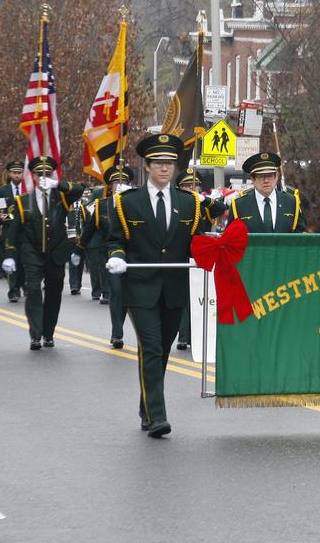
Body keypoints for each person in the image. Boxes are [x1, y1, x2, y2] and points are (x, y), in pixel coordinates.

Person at [104, 134, 212, 438]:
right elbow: (115, 240)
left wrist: (213, 254)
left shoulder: (189, 202)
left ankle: (146, 406)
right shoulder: (127, 202)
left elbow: (197, 242)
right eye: (159, 163)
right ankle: (157, 417)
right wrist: (116, 257)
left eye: (170, 164)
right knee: (150, 347)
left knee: (161, 351)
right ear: (148, 166)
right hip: (140, 288)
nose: (165, 169)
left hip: (174, 288)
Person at [1, 156, 84, 350]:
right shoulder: (22, 201)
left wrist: (57, 184)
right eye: (40, 174)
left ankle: (48, 333)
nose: (44, 177)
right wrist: (9, 254)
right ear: (34, 177)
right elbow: (12, 228)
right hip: (32, 251)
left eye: (48, 174)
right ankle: (35, 334)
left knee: (54, 293)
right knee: (33, 289)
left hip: (56, 251)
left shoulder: (61, 197)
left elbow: (79, 189)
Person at [173, 166, 226, 351]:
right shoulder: (175, 204)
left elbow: (221, 209)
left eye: (194, 186)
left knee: (199, 297)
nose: (191, 189)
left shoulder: (202, 204)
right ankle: (183, 336)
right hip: (180, 254)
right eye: (187, 186)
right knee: (183, 298)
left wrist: (205, 199)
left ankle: (197, 336)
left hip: (200, 255)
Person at [81, 165, 135, 349]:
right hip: (112, 256)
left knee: (132, 295)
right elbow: (89, 230)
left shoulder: (136, 203)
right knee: (117, 293)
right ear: (109, 185)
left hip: (136, 255)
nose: (119, 185)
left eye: (123, 182)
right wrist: (77, 250)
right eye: (115, 182)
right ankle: (117, 332)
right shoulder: (101, 205)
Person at [227, 152, 307, 234]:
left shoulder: (290, 202)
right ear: (252, 179)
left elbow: (301, 236)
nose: (266, 181)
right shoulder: (240, 205)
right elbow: (230, 237)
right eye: (261, 176)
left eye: (269, 175)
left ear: (276, 176)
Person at [0, 161, 26, 303]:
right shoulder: (2, 191)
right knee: (11, 262)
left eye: (19, 172)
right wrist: (15, 218)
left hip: (25, 233)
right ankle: (13, 290)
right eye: (14, 172)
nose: (16, 175)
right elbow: (1, 214)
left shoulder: (28, 189)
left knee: (24, 262)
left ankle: (24, 285)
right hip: (9, 233)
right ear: (9, 174)